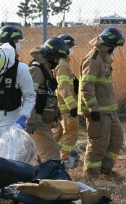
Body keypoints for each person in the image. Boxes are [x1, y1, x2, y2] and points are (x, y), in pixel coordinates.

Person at [79, 28, 125, 178]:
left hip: (108, 109)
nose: (116, 50)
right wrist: (93, 108)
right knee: (99, 142)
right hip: (97, 110)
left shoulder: (104, 58)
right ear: (109, 45)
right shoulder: (93, 60)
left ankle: (106, 170)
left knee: (116, 138)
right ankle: (91, 175)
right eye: (116, 47)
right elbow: (87, 86)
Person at [25, 37, 70, 162]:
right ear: (49, 56)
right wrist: (30, 120)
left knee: (39, 156)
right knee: (52, 154)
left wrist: (56, 115)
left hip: (43, 122)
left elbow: (47, 95)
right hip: (36, 123)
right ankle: (51, 180)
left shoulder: (46, 70)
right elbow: (29, 96)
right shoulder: (36, 70)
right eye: (56, 58)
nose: (57, 62)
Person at [52, 34, 79, 162]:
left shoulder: (63, 63)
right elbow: (62, 86)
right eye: (70, 47)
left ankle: (43, 157)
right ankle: (65, 161)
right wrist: (72, 105)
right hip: (66, 108)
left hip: (61, 107)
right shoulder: (63, 65)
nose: (72, 50)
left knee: (57, 134)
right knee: (70, 133)